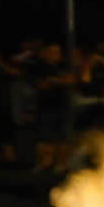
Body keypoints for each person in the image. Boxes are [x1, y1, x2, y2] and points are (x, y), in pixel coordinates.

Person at [31, 43, 75, 172]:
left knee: (64, 139)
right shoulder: (39, 67)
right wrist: (60, 81)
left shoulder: (64, 66)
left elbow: (71, 80)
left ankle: (61, 166)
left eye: (58, 51)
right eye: (53, 51)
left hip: (62, 107)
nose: (56, 54)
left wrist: (54, 81)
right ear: (46, 53)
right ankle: (43, 165)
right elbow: (42, 86)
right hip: (45, 108)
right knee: (43, 139)